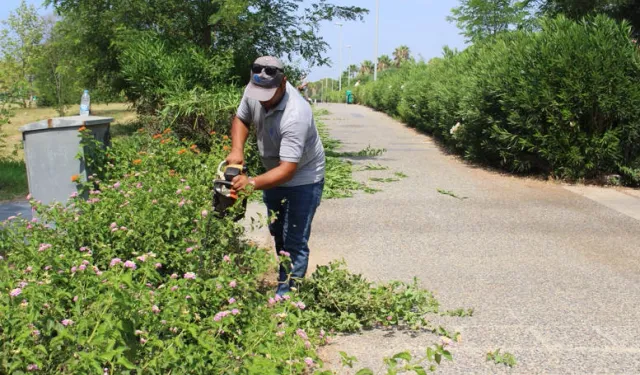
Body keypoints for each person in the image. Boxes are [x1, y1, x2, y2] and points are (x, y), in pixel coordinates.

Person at [226, 56, 325, 296]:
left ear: (283, 84)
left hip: (303, 177)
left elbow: (288, 169)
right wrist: (237, 149)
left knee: (295, 239)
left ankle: (288, 298)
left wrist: (251, 183)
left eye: (267, 93)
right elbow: (241, 118)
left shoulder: (296, 114)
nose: (261, 99)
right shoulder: (255, 90)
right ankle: (285, 277)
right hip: (273, 172)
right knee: (278, 230)